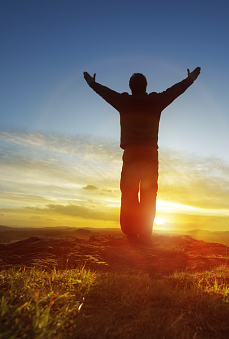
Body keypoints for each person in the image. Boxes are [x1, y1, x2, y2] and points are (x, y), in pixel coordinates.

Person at [84, 67, 201, 243]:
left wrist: (93, 84)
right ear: (146, 86)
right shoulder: (155, 101)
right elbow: (175, 91)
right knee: (149, 192)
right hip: (149, 154)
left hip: (131, 153)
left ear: (131, 87)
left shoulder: (124, 101)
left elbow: (106, 93)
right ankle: (145, 234)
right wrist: (190, 79)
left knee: (129, 192)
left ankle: (131, 233)